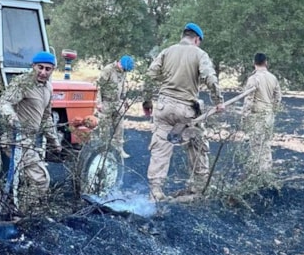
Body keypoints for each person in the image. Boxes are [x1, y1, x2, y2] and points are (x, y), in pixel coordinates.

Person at [143, 22, 224, 201]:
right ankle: (199, 187)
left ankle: (155, 191)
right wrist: (219, 102)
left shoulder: (166, 51)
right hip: (186, 110)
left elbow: (150, 75)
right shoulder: (199, 54)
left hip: (163, 107)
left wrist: (147, 101)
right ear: (196, 39)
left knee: (160, 147)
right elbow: (210, 78)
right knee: (197, 145)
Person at [0, 51, 63, 210]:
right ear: (33, 66)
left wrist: (54, 141)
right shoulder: (23, 83)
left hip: (29, 141)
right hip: (15, 139)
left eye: (48, 69)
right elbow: (5, 102)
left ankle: (15, 210)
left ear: (52, 70)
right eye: (40, 67)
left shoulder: (48, 88)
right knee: (40, 180)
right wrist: (12, 119)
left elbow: (46, 117)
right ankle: (22, 213)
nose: (43, 72)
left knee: (21, 181)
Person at [241, 52, 282, 174]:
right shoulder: (273, 78)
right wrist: (273, 110)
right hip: (269, 114)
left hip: (257, 115)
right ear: (266, 63)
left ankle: (257, 172)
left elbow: (248, 100)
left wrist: (244, 117)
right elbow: (278, 97)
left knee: (256, 145)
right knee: (266, 144)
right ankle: (266, 171)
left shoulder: (253, 79)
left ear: (254, 63)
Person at [96, 55, 134, 158]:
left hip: (118, 103)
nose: (125, 71)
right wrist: (98, 102)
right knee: (105, 130)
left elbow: (122, 86)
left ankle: (119, 150)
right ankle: (103, 153)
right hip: (106, 103)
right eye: (124, 69)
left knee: (119, 128)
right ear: (120, 64)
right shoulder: (108, 70)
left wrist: (124, 100)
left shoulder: (123, 72)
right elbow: (99, 86)